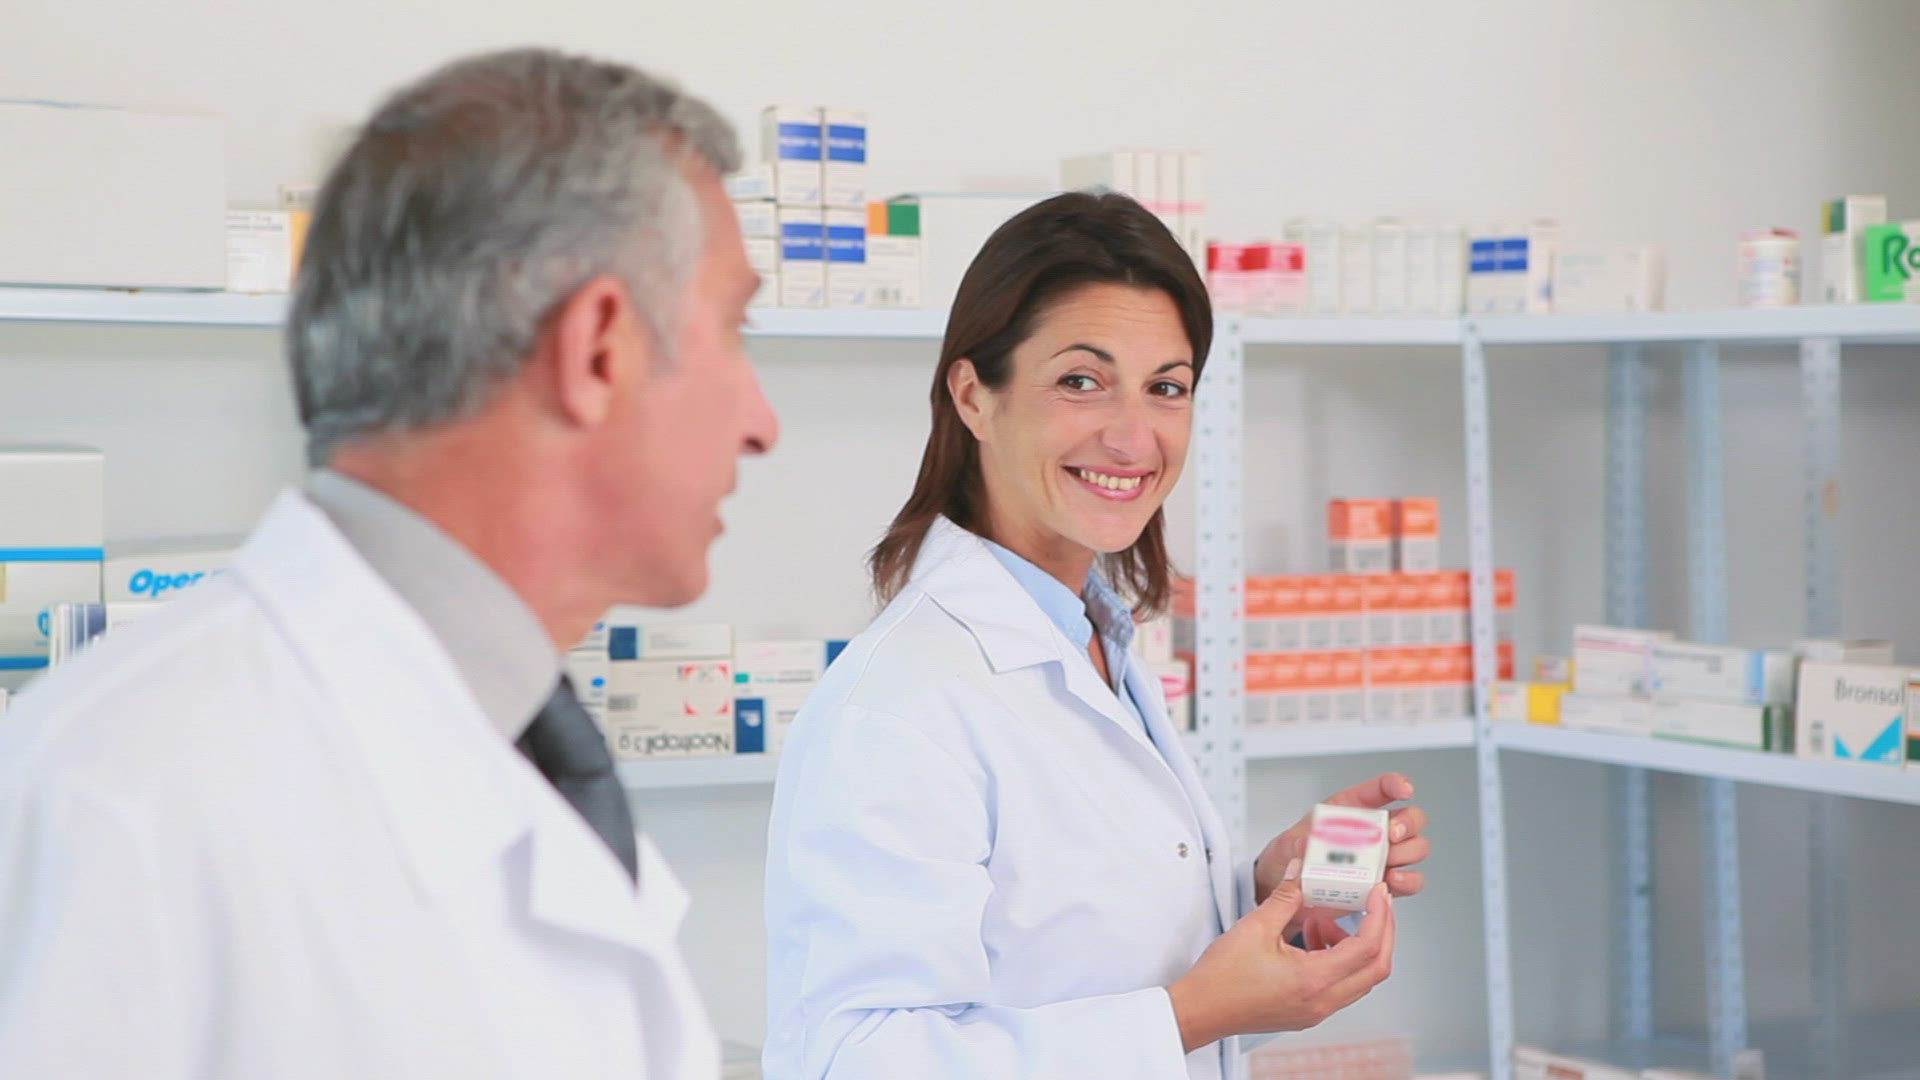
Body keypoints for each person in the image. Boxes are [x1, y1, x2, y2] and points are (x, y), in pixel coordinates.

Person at [0, 48, 776, 1079]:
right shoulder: (121, 788)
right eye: (735, 328)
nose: (762, 423)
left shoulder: (522, 743)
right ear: (598, 348)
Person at [763, 192, 1430, 1079]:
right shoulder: (897, 705)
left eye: (1166, 388)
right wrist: (1194, 1013)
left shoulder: (1094, 640)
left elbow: (1083, 959)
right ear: (974, 395)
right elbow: (851, 1059)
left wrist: (1262, 898)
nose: (1131, 436)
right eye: (1081, 381)